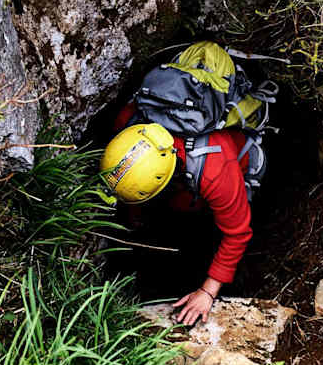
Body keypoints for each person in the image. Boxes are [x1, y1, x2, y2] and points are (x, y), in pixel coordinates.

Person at [101, 106, 256, 327]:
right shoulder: (128, 126)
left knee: (203, 234)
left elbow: (238, 234)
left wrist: (207, 292)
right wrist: (134, 217)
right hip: (181, 188)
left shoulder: (215, 169)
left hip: (226, 177)